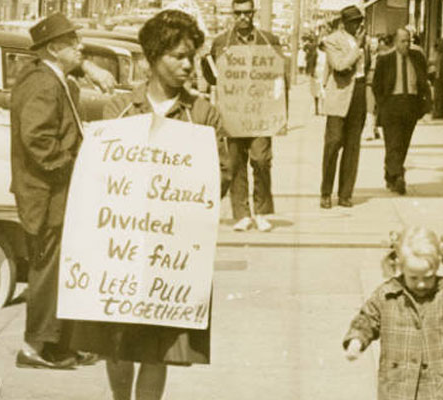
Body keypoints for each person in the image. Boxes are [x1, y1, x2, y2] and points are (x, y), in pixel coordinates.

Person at [70, 10, 232, 400]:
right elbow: (96, 174)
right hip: (120, 254)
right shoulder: (120, 111)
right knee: (117, 345)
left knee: (158, 351)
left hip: (171, 256)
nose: (188, 65)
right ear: (153, 58)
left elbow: (223, 175)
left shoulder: (202, 115)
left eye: (191, 56)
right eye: (178, 56)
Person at [10, 13, 97, 369]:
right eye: (73, 42)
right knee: (47, 272)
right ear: (54, 48)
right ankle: (35, 347)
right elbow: (37, 138)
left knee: (60, 268)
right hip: (47, 196)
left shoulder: (50, 77)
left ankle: (58, 343)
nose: (81, 47)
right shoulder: (45, 84)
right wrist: (72, 166)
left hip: (51, 194)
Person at [343, 226, 443, 400]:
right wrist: (357, 340)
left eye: (428, 277)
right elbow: (367, 319)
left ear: (437, 267)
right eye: (413, 277)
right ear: (400, 267)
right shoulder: (386, 295)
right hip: (399, 388)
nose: (421, 284)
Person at [209, 0, 286, 231]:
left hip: (261, 113)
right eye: (238, 13)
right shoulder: (221, 43)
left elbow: (279, 76)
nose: (243, 17)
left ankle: (262, 211)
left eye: (247, 13)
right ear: (233, 14)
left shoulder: (268, 41)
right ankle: (241, 213)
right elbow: (212, 77)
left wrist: (280, 111)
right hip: (233, 113)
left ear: (253, 13)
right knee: (234, 162)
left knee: (261, 160)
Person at [372, 28, 431, 195]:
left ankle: (391, 172)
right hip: (392, 103)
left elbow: (423, 79)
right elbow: (377, 85)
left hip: (410, 103)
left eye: (408, 41)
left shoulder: (417, 57)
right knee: (393, 142)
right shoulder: (385, 60)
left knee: (404, 142)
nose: (406, 45)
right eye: (403, 41)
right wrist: (382, 103)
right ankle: (398, 175)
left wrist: (424, 103)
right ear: (396, 42)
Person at [318, 5, 366, 209]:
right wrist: (357, 48)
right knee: (333, 143)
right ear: (344, 23)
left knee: (352, 146)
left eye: (359, 22)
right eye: (353, 22)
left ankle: (346, 193)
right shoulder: (333, 40)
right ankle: (326, 192)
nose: (357, 26)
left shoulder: (362, 41)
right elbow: (339, 65)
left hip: (359, 93)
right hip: (339, 96)